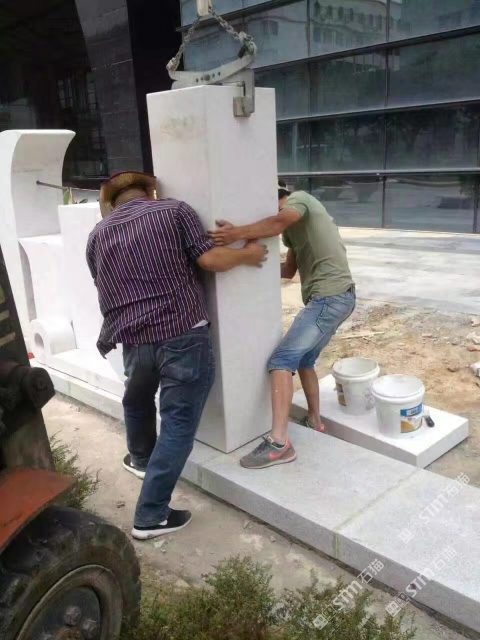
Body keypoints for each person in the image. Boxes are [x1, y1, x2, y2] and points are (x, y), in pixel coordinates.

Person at [86, 171, 268, 538]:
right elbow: (210, 260)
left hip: (133, 339)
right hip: (181, 333)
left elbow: (103, 282)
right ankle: (150, 515)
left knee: (137, 399)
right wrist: (248, 254)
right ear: (149, 191)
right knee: (178, 424)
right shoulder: (173, 211)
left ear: (111, 203)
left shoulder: (97, 234)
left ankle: (141, 459)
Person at [209, 180, 355, 470]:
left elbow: (278, 221)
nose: (271, 215)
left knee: (281, 361)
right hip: (340, 298)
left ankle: (279, 443)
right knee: (304, 360)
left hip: (329, 298)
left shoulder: (300, 200)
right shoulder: (292, 232)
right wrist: (245, 260)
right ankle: (315, 421)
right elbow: (288, 271)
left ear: (279, 198)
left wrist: (236, 234)